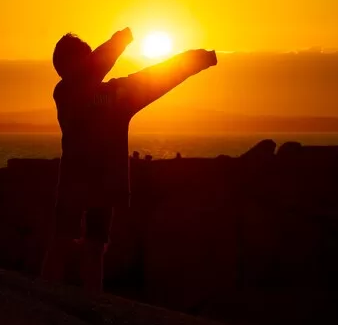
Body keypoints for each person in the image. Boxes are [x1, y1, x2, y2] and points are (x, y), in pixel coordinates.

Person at [41, 27, 217, 292]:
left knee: (93, 245)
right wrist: (120, 40)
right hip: (82, 184)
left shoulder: (113, 96)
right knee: (66, 241)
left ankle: (88, 302)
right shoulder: (67, 92)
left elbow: (156, 78)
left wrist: (196, 59)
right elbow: (100, 74)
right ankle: (49, 297)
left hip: (94, 184)